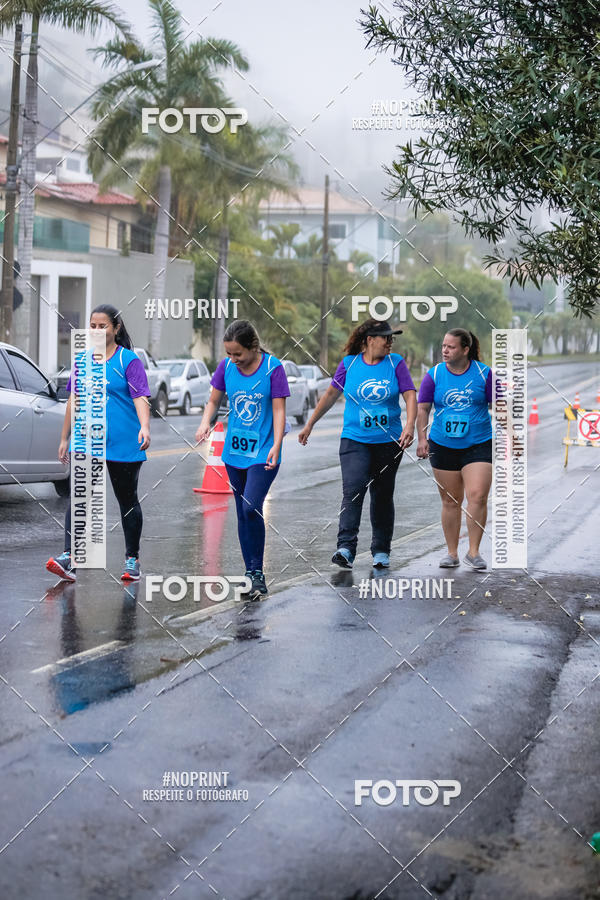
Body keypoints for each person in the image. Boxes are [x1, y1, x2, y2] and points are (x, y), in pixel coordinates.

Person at [298, 319, 417, 569]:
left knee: (382, 496)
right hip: (354, 439)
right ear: (370, 340)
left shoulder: (396, 363)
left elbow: (409, 394)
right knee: (353, 490)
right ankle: (345, 548)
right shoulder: (349, 364)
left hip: (389, 442)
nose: (389, 343)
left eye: (391, 338)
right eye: (386, 338)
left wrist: (410, 424)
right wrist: (310, 423)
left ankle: (381, 550)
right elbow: (331, 394)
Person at [46, 305, 151, 583]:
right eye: (92, 325)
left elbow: (140, 397)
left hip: (124, 442)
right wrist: (64, 437)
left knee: (126, 500)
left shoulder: (128, 361)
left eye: (102, 325)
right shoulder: (82, 361)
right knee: (80, 499)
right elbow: (73, 400)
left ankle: (132, 560)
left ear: (115, 329)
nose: (95, 330)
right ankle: (69, 557)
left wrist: (145, 427)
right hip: (87, 439)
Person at [195, 320, 290, 600]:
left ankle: (257, 571)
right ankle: (251, 574)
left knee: (251, 507)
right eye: (229, 354)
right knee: (241, 512)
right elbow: (213, 400)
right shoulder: (226, 368)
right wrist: (204, 423)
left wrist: (277, 444)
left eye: (238, 354)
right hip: (234, 452)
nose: (233, 360)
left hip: (263, 450)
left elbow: (278, 409)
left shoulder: (273, 368)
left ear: (253, 347)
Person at [416, 327, 493, 570]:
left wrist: (511, 437)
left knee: (477, 496)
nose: (445, 351)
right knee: (451, 501)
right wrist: (422, 438)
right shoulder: (435, 375)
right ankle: (452, 553)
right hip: (442, 443)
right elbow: (422, 409)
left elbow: (502, 407)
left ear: (465, 350)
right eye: (443, 346)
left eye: (451, 347)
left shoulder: (484, 374)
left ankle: (474, 551)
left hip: (478, 443)